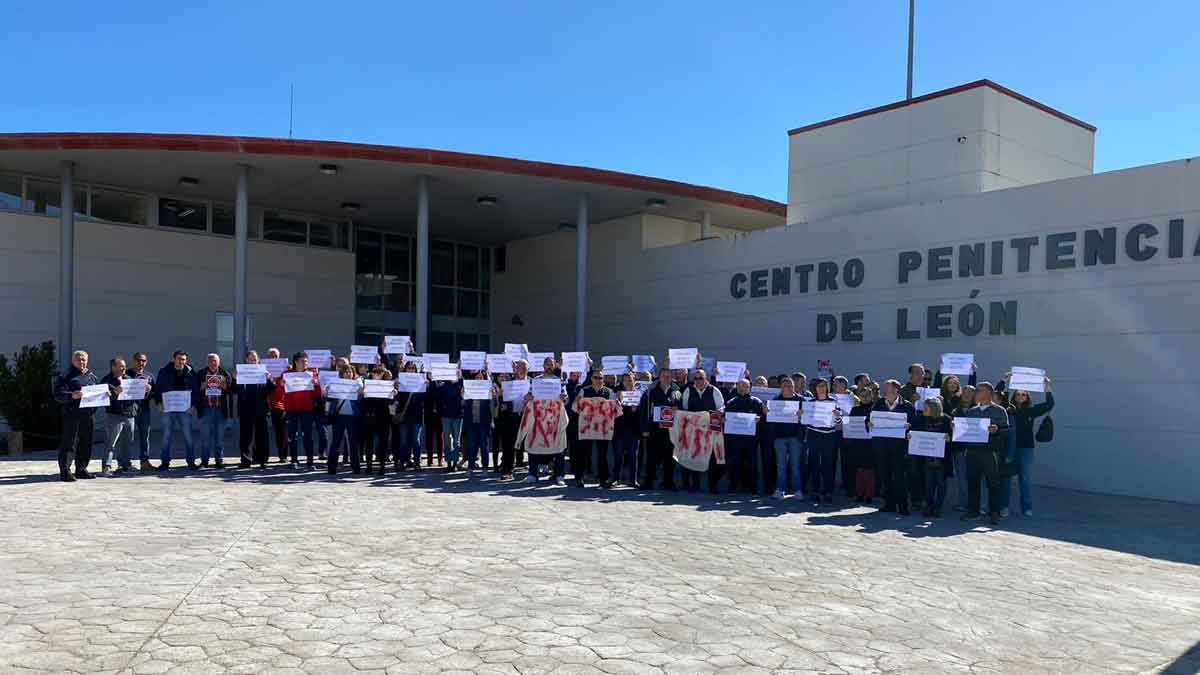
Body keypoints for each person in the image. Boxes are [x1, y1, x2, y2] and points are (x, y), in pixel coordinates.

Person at [961, 382, 1011, 526]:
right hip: (972, 451)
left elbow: (1007, 431)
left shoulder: (999, 411)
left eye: (979, 390)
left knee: (993, 483)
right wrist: (957, 427)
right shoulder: (971, 411)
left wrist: (997, 430)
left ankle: (994, 513)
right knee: (972, 482)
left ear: (989, 393)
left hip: (990, 452)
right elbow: (965, 431)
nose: (976, 392)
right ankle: (973, 511)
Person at [1003, 376, 1054, 516]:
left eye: (1023, 394)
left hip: (1026, 448)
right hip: (1009, 448)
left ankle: (1026, 507)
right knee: (1006, 478)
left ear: (1027, 397)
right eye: (1018, 394)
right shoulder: (1007, 409)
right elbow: (1000, 398)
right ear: (1014, 396)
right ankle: (1003, 507)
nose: (1020, 396)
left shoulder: (1032, 410)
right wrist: (1005, 382)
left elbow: (1049, 404)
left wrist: (1048, 387)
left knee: (1024, 478)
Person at [869, 379, 916, 515]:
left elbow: (914, 423)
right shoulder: (878, 404)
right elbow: (869, 418)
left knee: (900, 476)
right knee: (885, 475)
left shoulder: (907, 406)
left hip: (899, 447)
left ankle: (902, 506)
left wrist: (909, 428)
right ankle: (889, 504)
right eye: (885, 389)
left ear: (896, 390)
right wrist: (869, 423)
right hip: (882, 446)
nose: (885, 391)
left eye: (888, 389)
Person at [53, 350, 99, 481]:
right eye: (79, 359)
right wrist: (71, 395)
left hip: (89, 415)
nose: (81, 362)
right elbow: (58, 394)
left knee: (86, 443)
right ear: (73, 361)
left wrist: (104, 395)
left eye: (84, 359)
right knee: (69, 443)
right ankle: (65, 471)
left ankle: (81, 469)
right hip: (72, 415)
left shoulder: (92, 376)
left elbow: (97, 391)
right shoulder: (66, 376)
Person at [678, 368, 724, 493]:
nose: (698, 380)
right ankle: (694, 485)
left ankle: (712, 486)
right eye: (696, 378)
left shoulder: (714, 390)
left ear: (706, 379)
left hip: (710, 430)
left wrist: (720, 412)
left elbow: (721, 407)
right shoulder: (688, 390)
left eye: (701, 378)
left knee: (712, 459)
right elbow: (684, 409)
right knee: (693, 456)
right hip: (694, 430)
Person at [639, 367, 681, 491]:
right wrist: (644, 428)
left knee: (670, 458)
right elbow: (643, 410)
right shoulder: (650, 391)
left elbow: (682, 408)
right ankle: (648, 482)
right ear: (659, 376)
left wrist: (677, 409)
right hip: (654, 429)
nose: (666, 378)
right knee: (651, 457)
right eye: (664, 376)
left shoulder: (676, 391)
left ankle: (668, 482)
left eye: (668, 376)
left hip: (670, 430)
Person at [232, 350, 275, 469]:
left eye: (255, 359)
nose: (253, 361)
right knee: (246, 436)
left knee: (262, 435)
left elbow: (271, 390)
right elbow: (234, 390)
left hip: (261, 408)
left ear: (258, 360)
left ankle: (262, 460)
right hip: (245, 409)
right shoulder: (241, 372)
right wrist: (234, 379)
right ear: (246, 360)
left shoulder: (264, 372)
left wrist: (270, 379)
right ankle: (246, 460)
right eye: (251, 359)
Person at [155, 351, 198, 470]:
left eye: (184, 359)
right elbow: (158, 388)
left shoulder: (190, 372)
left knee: (188, 435)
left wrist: (193, 405)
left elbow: (196, 390)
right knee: (166, 436)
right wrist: (158, 402)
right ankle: (165, 462)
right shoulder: (164, 371)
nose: (181, 361)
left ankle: (191, 462)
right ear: (173, 359)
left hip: (185, 409)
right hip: (168, 408)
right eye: (179, 359)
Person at [912, 397, 953, 517]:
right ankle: (929, 505)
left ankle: (938, 507)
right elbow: (914, 432)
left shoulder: (946, 419)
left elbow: (953, 436)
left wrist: (949, 438)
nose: (923, 410)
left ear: (933, 408)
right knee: (928, 484)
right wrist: (910, 436)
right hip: (927, 458)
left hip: (942, 459)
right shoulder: (921, 419)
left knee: (941, 484)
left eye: (926, 408)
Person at [281, 352, 322, 470]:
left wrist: (316, 384)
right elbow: (279, 389)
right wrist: (281, 383)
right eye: (303, 361)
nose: (305, 363)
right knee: (292, 436)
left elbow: (318, 392)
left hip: (306, 409)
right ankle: (294, 460)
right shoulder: (287, 374)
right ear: (296, 362)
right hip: (291, 408)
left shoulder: (311, 374)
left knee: (308, 436)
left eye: (306, 361)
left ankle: (310, 462)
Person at [721, 378, 761, 495]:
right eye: (740, 386)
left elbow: (763, 418)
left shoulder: (756, 402)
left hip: (751, 440)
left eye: (745, 386)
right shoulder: (731, 402)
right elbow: (725, 417)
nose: (742, 388)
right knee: (735, 463)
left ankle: (753, 487)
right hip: (735, 440)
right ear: (736, 388)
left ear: (749, 388)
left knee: (752, 463)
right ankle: (733, 487)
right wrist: (724, 420)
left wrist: (759, 419)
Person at [806, 378, 841, 506]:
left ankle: (828, 492)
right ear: (815, 388)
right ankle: (815, 491)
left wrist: (837, 416)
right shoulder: (810, 402)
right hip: (813, 435)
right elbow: (805, 422)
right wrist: (801, 415)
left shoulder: (833, 402)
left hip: (829, 437)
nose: (821, 388)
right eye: (819, 386)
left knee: (828, 465)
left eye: (824, 386)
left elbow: (838, 422)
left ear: (827, 388)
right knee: (814, 464)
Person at [99, 357, 138, 475]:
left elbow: (136, 395)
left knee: (127, 442)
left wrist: (145, 390)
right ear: (113, 367)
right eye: (121, 366)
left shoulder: (129, 379)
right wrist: (115, 392)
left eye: (124, 366)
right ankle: (106, 466)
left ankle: (125, 465)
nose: (124, 368)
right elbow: (102, 398)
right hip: (114, 415)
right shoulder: (106, 380)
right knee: (111, 442)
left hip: (129, 415)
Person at [768, 376, 805, 499]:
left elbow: (808, 419)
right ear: (781, 388)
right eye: (785, 386)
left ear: (794, 387)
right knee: (781, 465)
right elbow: (770, 419)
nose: (788, 388)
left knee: (795, 466)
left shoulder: (801, 400)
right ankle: (780, 490)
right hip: (779, 438)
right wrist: (767, 412)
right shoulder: (775, 400)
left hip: (795, 437)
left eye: (790, 386)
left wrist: (802, 416)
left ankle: (797, 490)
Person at [194, 353, 232, 469]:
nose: (213, 363)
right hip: (206, 409)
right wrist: (204, 385)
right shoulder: (201, 373)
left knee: (219, 438)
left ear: (219, 362)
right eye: (210, 361)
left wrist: (224, 385)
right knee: (205, 437)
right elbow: (195, 390)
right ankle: (204, 462)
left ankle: (219, 461)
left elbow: (231, 390)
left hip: (220, 409)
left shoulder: (224, 373)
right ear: (207, 362)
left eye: (215, 361)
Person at [326, 365, 364, 474]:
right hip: (339, 416)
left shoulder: (357, 384)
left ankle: (356, 467)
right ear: (342, 374)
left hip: (352, 416)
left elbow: (361, 400)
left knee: (353, 443)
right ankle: (332, 467)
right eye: (346, 372)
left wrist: (361, 393)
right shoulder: (336, 383)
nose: (348, 374)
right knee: (336, 442)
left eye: (350, 372)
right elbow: (329, 398)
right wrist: (327, 391)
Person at [497, 359, 531, 479]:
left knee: (530, 444)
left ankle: (533, 472)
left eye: (523, 367)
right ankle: (507, 471)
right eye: (518, 367)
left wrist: (531, 397)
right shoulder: (508, 382)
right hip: (510, 417)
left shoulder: (533, 383)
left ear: (528, 369)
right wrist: (500, 394)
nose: (520, 370)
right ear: (515, 369)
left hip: (528, 417)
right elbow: (502, 400)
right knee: (508, 445)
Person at [461, 369, 495, 478]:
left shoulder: (488, 389)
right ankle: (471, 468)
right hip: (472, 422)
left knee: (484, 447)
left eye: (481, 378)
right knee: (472, 446)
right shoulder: (470, 389)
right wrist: (463, 394)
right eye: (477, 378)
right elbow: (463, 403)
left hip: (484, 422)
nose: (479, 379)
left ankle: (485, 468)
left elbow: (493, 405)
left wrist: (493, 395)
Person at [362, 364, 394, 474]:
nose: (377, 374)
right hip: (370, 416)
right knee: (369, 442)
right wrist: (363, 393)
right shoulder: (367, 384)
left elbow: (390, 403)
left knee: (383, 442)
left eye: (379, 373)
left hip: (383, 417)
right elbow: (364, 402)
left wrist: (393, 394)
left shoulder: (387, 385)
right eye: (375, 372)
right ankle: (369, 466)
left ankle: (382, 467)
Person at [393, 362, 424, 472]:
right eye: (409, 368)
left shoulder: (421, 382)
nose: (411, 370)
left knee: (416, 440)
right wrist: (396, 389)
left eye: (413, 369)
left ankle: (417, 462)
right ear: (405, 370)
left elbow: (425, 399)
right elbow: (397, 399)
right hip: (404, 416)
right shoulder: (401, 382)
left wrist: (426, 385)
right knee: (404, 441)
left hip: (416, 416)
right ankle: (402, 462)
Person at [611, 372, 641, 487]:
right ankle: (616, 479)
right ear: (622, 382)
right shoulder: (617, 394)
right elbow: (613, 413)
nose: (628, 382)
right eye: (625, 380)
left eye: (630, 380)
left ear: (634, 381)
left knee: (633, 456)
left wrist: (635, 410)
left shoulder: (639, 395)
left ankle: (633, 480)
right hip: (619, 429)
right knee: (618, 455)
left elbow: (642, 413)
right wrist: (617, 404)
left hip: (634, 430)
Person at [127, 352, 155, 472]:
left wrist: (150, 390)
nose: (141, 363)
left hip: (144, 410)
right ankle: (124, 462)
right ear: (133, 361)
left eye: (143, 361)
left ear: (146, 362)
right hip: (129, 410)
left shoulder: (150, 376)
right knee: (128, 437)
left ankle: (144, 461)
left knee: (145, 437)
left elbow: (155, 394)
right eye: (138, 360)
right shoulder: (126, 374)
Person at [848, 386, 877, 503]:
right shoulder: (854, 410)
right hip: (858, 443)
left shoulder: (875, 410)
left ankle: (869, 494)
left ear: (872, 396)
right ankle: (859, 494)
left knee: (869, 470)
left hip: (871, 443)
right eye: (862, 395)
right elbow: (850, 425)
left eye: (867, 395)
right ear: (859, 396)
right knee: (859, 469)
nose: (865, 397)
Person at [434, 370, 464, 472]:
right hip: (446, 416)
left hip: (458, 416)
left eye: (456, 374)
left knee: (456, 441)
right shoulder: (443, 386)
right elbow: (437, 397)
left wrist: (460, 379)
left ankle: (455, 463)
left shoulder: (461, 384)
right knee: (447, 439)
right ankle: (449, 463)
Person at [265, 347, 288, 463]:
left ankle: (283, 455)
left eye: (275, 356)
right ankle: (260, 456)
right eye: (270, 356)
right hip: (264, 403)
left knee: (281, 432)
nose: (273, 358)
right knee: (262, 432)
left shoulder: (285, 370)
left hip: (280, 404)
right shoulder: (263, 369)